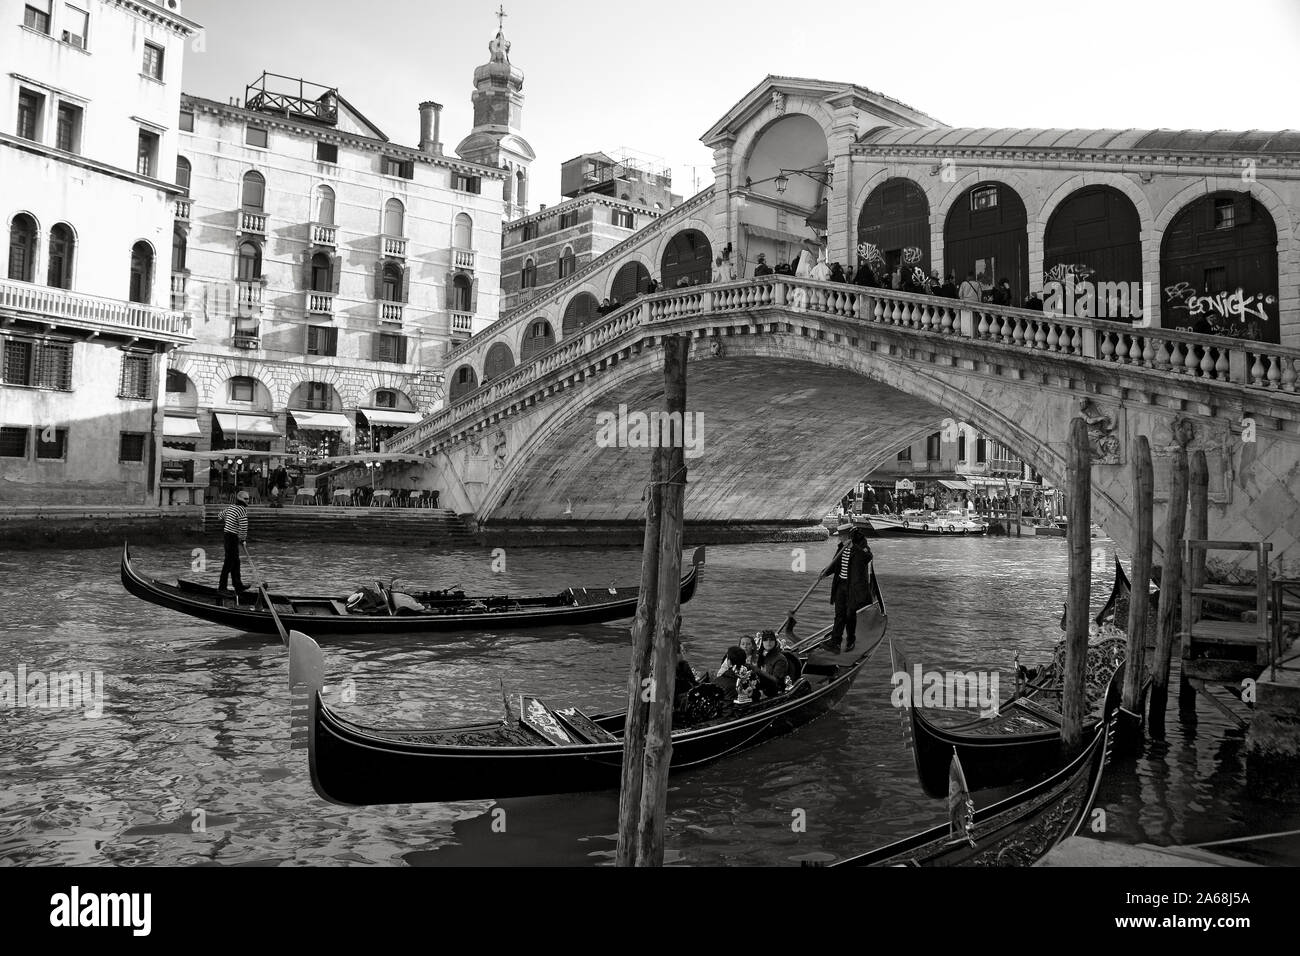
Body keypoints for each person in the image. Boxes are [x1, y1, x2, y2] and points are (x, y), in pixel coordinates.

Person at [820, 524, 874, 654]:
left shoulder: (861, 544)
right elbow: (834, 564)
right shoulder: (841, 547)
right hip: (841, 585)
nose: (839, 539)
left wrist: (853, 547)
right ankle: (835, 642)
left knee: (850, 614)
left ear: (848, 536)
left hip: (853, 586)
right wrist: (825, 573)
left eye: (841, 536)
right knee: (839, 614)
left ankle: (851, 640)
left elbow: (867, 557)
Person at [218, 489, 252, 593]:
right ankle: (222, 588)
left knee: (236, 562)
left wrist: (229, 522)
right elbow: (243, 527)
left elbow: (220, 516)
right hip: (232, 537)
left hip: (227, 536)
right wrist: (243, 539)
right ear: (240, 499)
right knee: (229, 563)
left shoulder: (231, 507)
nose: (248, 501)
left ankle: (238, 585)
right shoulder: (242, 509)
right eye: (246, 499)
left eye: (248, 499)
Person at [751, 630, 790, 699]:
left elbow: (776, 680)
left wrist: (757, 670)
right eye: (765, 640)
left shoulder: (780, 659)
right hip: (759, 686)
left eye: (771, 640)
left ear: (775, 642)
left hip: (774, 691)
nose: (768, 642)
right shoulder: (760, 655)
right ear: (762, 642)